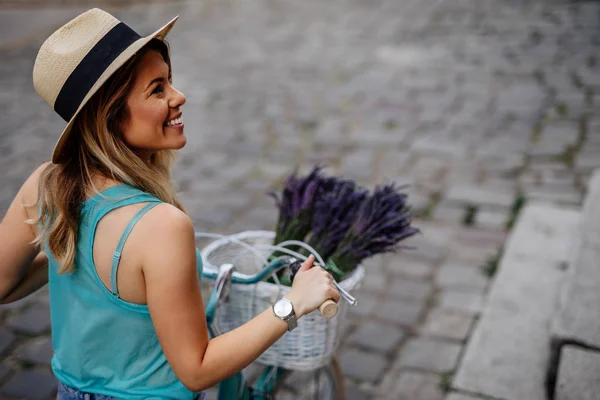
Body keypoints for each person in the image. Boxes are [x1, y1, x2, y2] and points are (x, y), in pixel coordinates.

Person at [0, 8, 340, 400]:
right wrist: (293, 303)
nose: (179, 97)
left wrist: (70, 248)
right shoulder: (161, 226)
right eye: (157, 89)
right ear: (109, 116)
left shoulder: (45, 185)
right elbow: (197, 369)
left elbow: (4, 287)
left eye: (170, 81)